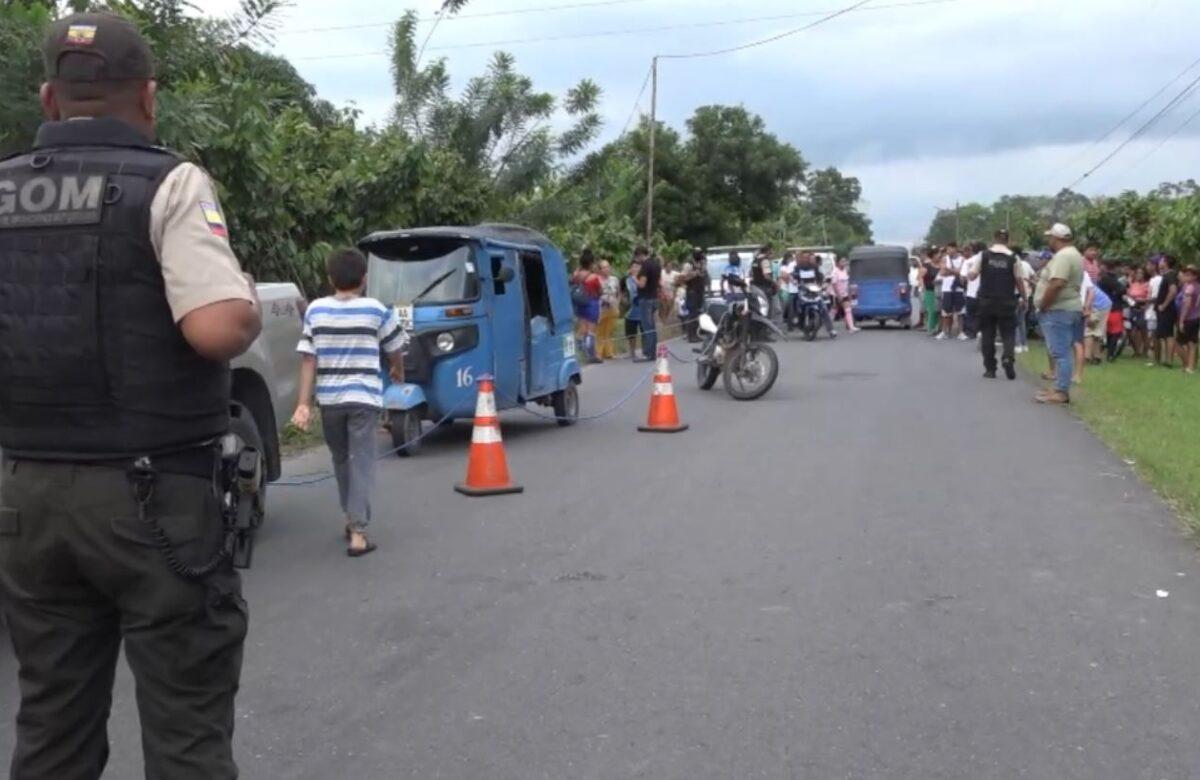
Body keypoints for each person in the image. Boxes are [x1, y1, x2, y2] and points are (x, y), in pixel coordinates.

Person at [0, 13, 262, 778]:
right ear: (147, 99)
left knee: (51, 724)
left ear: (50, 99)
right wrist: (243, 295)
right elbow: (215, 329)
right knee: (186, 731)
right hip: (154, 499)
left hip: (26, 499)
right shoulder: (169, 183)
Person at [291, 248, 407, 557]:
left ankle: (349, 516)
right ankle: (358, 532)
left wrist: (303, 403)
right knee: (362, 462)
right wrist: (398, 370)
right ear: (364, 279)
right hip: (364, 399)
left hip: (330, 401)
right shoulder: (376, 309)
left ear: (330, 279)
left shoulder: (315, 310)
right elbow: (395, 348)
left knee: (341, 460)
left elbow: (308, 360)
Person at [1034, 223, 1085, 404]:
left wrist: (1044, 305)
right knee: (1062, 350)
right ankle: (1058, 387)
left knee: (1060, 352)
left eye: (1050, 237)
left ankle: (1061, 391)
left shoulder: (1064, 256)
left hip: (1059, 309)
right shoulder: (1074, 254)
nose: (1049, 240)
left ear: (1057, 238)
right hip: (1067, 308)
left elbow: (1057, 283)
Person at [969, 229, 1025, 379]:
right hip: (1007, 301)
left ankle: (990, 369)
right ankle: (1008, 357)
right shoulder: (1014, 258)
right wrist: (1025, 298)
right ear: (1007, 240)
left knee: (988, 334)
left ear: (994, 239)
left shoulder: (984, 255)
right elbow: (1019, 280)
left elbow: (972, 276)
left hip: (986, 301)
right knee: (1008, 332)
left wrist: (970, 272)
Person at [570, 248, 604, 364]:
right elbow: (600, 291)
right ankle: (591, 354)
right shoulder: (594, 277)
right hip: (591, 303)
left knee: (581, 329)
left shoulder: (576, 275)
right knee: (590, 331)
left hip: (580, 303)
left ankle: (580, 352)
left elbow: (573, 282)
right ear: (591, 263)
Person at [797, 254, 838, 337]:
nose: (808, 259)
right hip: (803, 291)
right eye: (806, 257)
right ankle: (796, 321)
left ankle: (831, 330)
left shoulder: (815, 268)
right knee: (796, 305)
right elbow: (793, 277)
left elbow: (821, 278)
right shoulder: (798, 268)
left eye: (810, 258)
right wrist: (794, 281)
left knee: (824, 308)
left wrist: (822, 285)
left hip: (814, 291)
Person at [1151, 255, 1180, 368]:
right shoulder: (1167, 275)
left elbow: (1173, 291)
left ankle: (1169, 360)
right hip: (1163, 310)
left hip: (1167, 310)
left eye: (1162, 261)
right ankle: (1164, 359)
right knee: (1162, 334)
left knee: (1168, 335)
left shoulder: (1170, 275)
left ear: (1166, 262)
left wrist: (1164, 305)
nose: (1159, 262)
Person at [636, 248, 662, 361]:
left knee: (647, 327)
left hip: (645, 299)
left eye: (637, 257)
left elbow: (642, 284)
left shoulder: (645, 266)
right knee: (652, 326)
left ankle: (650, 353)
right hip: (654, 297)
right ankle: (652, 351)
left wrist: (633, 277)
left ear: (641, 255)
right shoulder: (656, 265)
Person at [1097, 259, 1126, 361]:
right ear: (1115, 268)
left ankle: (1109, 352)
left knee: (1110, 331)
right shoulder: (1111, 279)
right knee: (1116, 331)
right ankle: (1110, 353)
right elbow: (1122, 290)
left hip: (1104, 307)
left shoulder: (1101, 279)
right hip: (1114, 308)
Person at [937, 242, 965, 340]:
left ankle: (961, 332)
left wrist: (949, 270)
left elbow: (961, 271)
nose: (948, 251)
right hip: (947, 288)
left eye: (950, 249)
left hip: (958, 288)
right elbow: (942, 272)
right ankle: (944, 332)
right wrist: (955, 271)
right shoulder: (945, 258)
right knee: (946, 311)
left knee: (960, 311)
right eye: (947, 249)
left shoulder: (962, 259)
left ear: (955, 248)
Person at [596, 259, 621, 359]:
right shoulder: (597, 279)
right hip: (601, 308)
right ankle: (598, 353)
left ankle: (609, 352)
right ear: (600, 270)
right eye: (604, 267)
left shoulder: (614, 279)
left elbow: (619, 292)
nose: (606, 269)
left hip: (613, 308)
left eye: (607, 267)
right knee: (600, 331)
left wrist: (617, 303)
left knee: (609, 331)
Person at [1014, 249, 1038, 353]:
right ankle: (1024, 344)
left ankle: (1018, 344)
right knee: (1022, 321)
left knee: (1015, 321)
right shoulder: (1026, 265)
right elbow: (1034, 277)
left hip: (1016, 294)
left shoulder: (1013, 264)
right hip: (1026, 295)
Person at [1178, 265, 1200, 374]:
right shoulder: (1197, 286)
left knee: (1186, 343)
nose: (1186, 277)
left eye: (1189, 275)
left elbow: (1187, 304)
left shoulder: (1190, 287)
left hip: (1189, 317)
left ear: (1195, 276)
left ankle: (1189, 366)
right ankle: (1191, 366)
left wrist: (1182, 319)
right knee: (1192, 343)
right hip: (1196, 316)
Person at [1127, 266, 1152, 357]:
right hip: (1133, 308)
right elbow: (1129, 294)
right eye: (1137, 273)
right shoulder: (1133, 284)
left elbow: (1149, 297)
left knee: (1143, 331)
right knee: (1133, 331)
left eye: (1141, 273)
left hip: (1142, 308)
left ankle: (1145, 350)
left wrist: (1144, 304)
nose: (1139, 275)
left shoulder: (1147, 284)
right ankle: (1137, 350)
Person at [961, 242, 984, 339]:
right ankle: (980, 332)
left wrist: (965, 285)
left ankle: (971, 332)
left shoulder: (968, 261)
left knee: (970, 314)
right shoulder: (987, 260)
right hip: (984, 292)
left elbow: (962, 277)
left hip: (971, 292)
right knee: (981, 314)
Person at [830, 256, 858, 332]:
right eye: (842, 261)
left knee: (848, 309)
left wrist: (849, 293)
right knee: (835, 311)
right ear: (838, 262)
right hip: (836, 294)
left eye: (845, 261)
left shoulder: (845, 271)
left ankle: (851, 327)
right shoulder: (835, 271)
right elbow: (834, 284)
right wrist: (838, 295)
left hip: (844, 293)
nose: (844, 263)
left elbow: (847, 283)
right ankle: (829, 325)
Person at [623, 258, 643, 358]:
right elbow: (622, 292)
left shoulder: (643, 279)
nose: (636, 269)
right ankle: (632, 351)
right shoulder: (626, 280)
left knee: (645, 332)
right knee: (631, 333)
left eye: (638, 267)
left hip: (642, 310)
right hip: (630, 311)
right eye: (634, 267)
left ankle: (646, 350)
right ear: (630, 269)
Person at [922, 248, 941, 334]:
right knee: (932, 310)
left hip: (939, 290)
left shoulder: (941, 265)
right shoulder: (927, 266)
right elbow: (920, 277)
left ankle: (938, 328)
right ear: (933, 256)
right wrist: (923, 288)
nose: (939, 256)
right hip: (929, 290)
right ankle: (930, 328)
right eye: (938, 254)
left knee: (938, 310)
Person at [779, 250, 799, 329]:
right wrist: (791, 279)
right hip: (786, 288)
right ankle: (788, 323)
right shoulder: (784, 266)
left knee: (795, 307)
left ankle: (794, 323)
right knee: (788, 307)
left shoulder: (795, 265)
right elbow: (785, 276)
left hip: (793, 288)